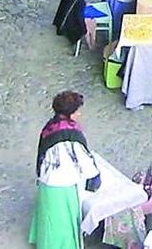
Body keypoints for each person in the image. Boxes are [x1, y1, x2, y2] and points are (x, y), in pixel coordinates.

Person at [30, 90, 100, 248]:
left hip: (47, 180)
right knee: (63, 222)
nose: (79, 114)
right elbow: (84, 159)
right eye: (77, 111)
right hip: (63, 184)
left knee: (48, 217)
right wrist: (94, 176)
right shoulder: (71, 135)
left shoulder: (51, 126)